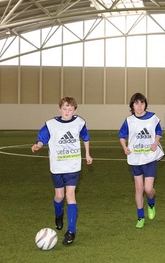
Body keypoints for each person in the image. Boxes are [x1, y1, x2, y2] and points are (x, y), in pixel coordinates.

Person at [31, 97, 93, 246]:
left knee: (70, 195)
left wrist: (87, 153)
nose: (67, 112)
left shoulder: (79, 122)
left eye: (70, 109)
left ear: (75, 110)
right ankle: (59, 215)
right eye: (65, 109)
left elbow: (85, 137)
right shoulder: (51, 124)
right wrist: (38, 145)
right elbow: (42, 139)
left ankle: (71, 231)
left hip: (73, 165)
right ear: (60, 109)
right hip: (57, 166)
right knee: (59, 196)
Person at [118, 93, 164, 229]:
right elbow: (122, 135)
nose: (139, 106)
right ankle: (140, 217)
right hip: (135, 158)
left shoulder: (153, 118)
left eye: (142, 103)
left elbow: (159, 132)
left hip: (149, 157)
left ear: (145, 104)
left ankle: (151, 202)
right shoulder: (128, 120)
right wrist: (124, 147)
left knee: (148, 189)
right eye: (136, 103)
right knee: (138, 188)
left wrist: (155, 143)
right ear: (132, 105)